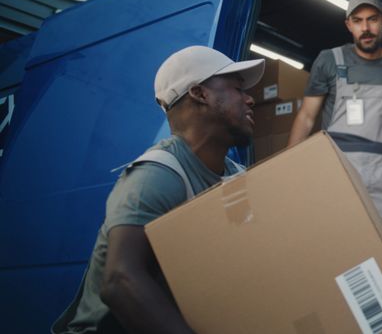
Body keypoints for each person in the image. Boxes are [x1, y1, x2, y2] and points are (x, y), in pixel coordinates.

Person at [51, 45, 265, 334]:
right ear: (199, 93)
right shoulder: (158, 174)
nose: (250, 99)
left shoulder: (237, 177)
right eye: (238, 89)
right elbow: (119, 280)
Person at [288, 0, 382, 239]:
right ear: (348, 25)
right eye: (357, 21)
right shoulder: (329, 61)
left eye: (372, 19)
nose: (365, 28)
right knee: (336, 248)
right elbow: (306, 117)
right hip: (335, 172)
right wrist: (288, 170)